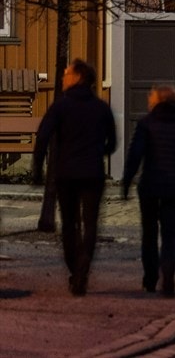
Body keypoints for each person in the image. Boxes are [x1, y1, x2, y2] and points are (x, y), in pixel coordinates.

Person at [31, 59, 117, 296]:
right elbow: (113, 143)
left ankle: (75, 269)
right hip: (92, 172)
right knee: (90, 224)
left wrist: (38, 168)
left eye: (67, 73)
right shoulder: (101, 107)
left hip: (66, 173)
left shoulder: (61, 106)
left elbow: (43, 137)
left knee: (69, 224)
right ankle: (83, 267)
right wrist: (97, 151)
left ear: (78, 77)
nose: (63, 77)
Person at [121, 84, 175, 296]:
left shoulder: (146, 124)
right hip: (174, 186)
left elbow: (135, 155)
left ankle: (151, 278)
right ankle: (169, 275)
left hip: (150, 186)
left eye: (151, 97)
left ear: (157, 101)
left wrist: (127, 182)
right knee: (170, 235)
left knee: (150, 233)